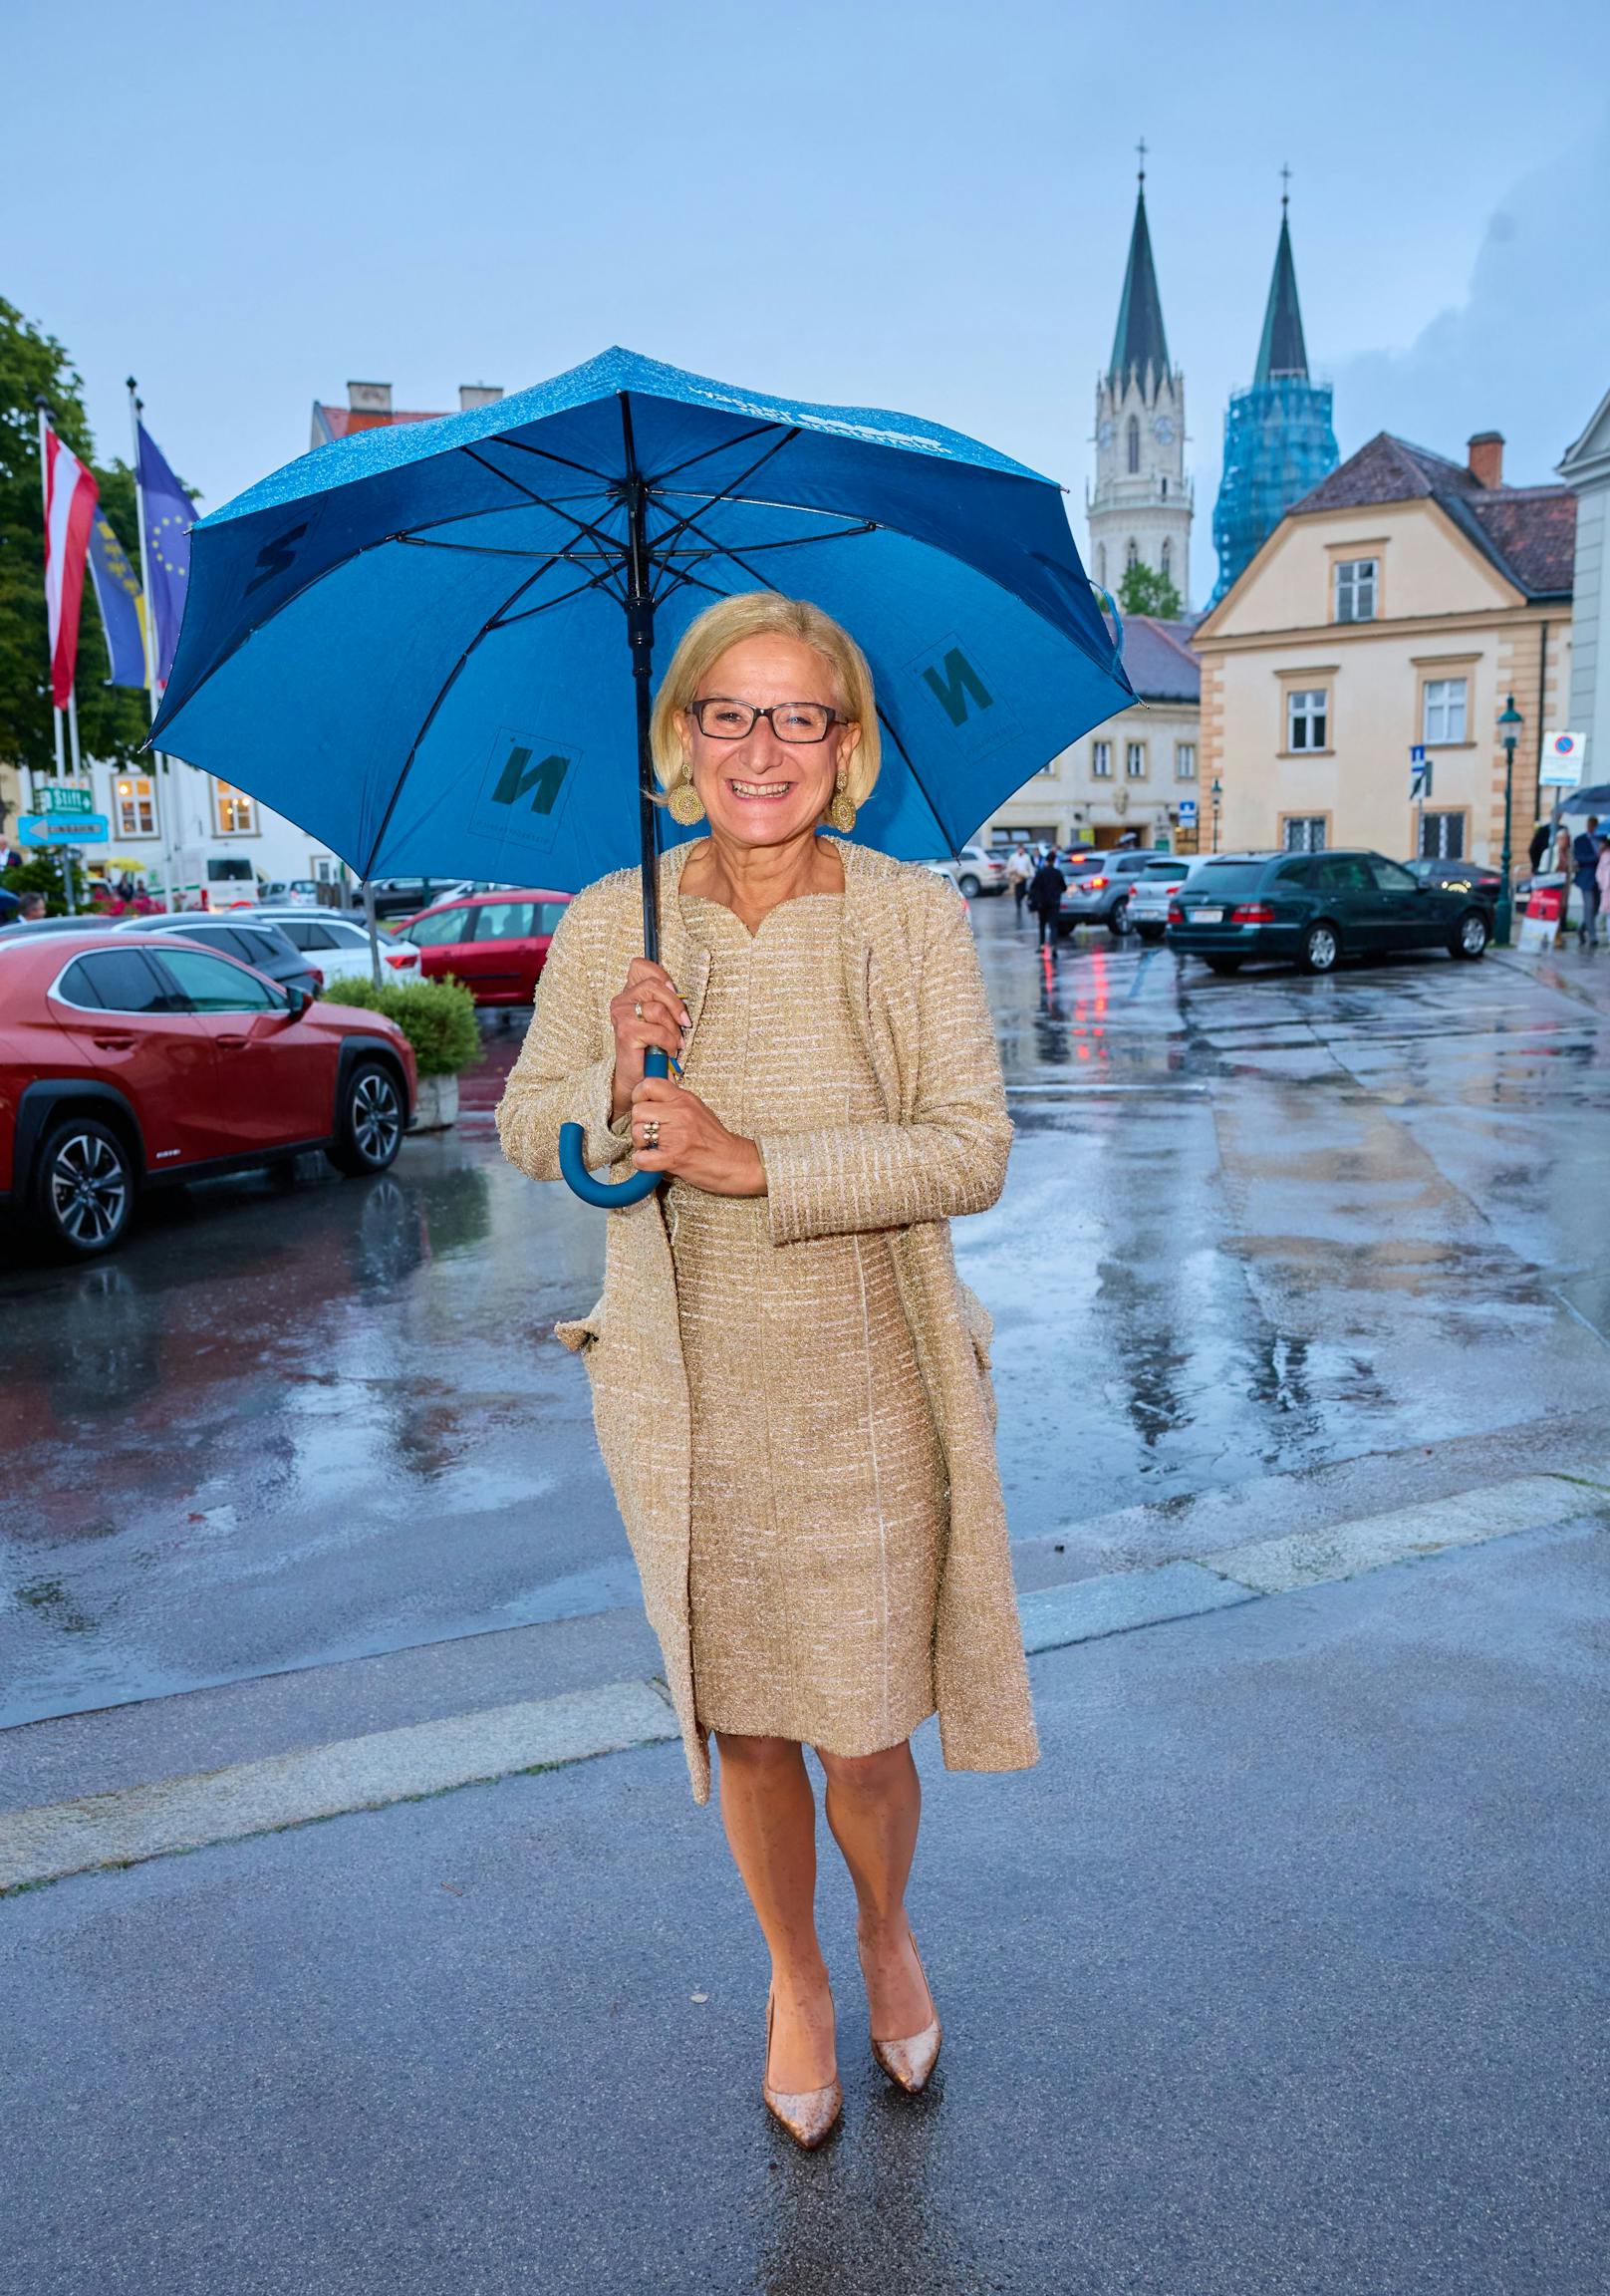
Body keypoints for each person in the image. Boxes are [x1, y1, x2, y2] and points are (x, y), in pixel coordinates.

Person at [495, 592, 1035, 2151]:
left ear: (848, 747)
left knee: (863, 1728)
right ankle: (797, 1975)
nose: (761, 746)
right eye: (728, 713)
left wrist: (750, 1161)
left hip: (867, 1379)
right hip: (689, 1394)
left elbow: (971, 1151)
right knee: (747, 1725)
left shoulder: (904, 917)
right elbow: (537, 1129)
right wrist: (609, 1076)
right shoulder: (616, 917)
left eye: (800, 716)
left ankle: (883, 1929)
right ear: (679, 739)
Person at [1028, 850, 1066, 949]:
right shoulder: (1057, 873)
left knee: (1042, 924)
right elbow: (1064, 887)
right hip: (1054, 902)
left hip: (1042, 903)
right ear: (1054, 861)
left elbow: (1033, 887)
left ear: (1046, 860)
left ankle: (1042, 945)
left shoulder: (1040, 872)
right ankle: (1053, 945)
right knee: (1053, 925)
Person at [1572, 815, 1601, 949]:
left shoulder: (1602, 840)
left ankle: (1582, 927)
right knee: (1589, 906)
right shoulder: (1580, 840)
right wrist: (1596, 857)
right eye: (1592, 825)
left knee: (1596, 907)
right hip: (1586, 878)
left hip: (1600, 878)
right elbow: (1579, 858)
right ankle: (1593, 936)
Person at [1006, 841, 1033, 919]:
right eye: (1020, 849)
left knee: (1024, 890)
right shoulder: (1013, 857)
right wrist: (1009, 875)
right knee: (1018, 891)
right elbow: (1009, 866)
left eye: (1022, 849)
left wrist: (1031, 874)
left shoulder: (1027, 857)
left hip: (1024, 876)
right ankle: (1018, 904)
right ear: (1017, 849)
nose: (1021, 850)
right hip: (1016, 876)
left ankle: (1021, 899)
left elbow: (1030, 866)